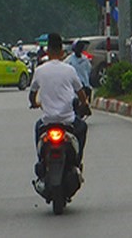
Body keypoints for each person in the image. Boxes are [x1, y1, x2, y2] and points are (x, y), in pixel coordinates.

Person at [29, 33, 89, 167]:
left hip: (47, 121)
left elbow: (32, 94)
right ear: (62, 52)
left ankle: (41, 160)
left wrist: (34, 103)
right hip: (67, 120)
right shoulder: (70, 70)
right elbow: (81, 93)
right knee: (83, 127)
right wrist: (84, 104)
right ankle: (77, 161)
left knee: (37, 129)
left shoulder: (39, 70)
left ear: (47, 51)